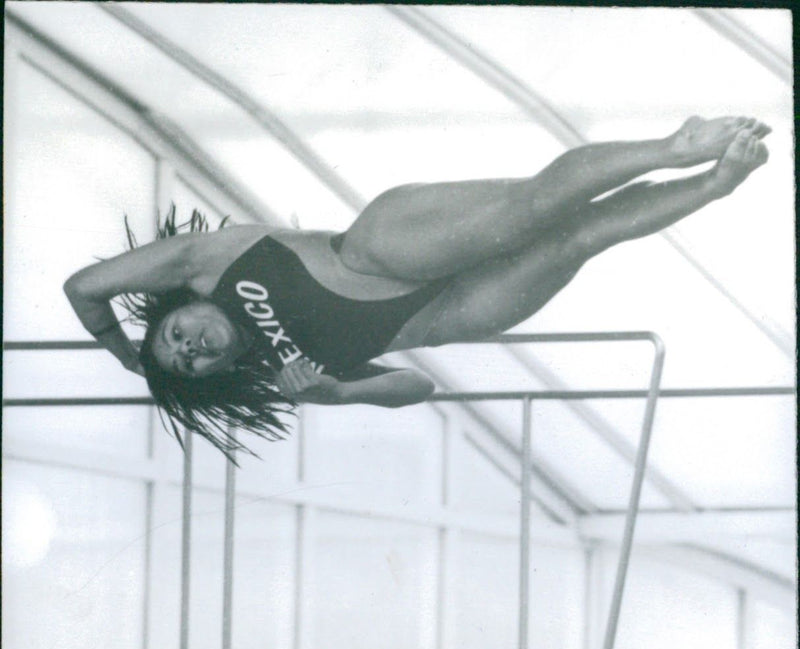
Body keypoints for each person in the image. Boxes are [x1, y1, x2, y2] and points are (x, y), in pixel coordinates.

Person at [64, 116, 769, 458]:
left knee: (533, 207)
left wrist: (121, 351)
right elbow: (416, 389)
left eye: (174, 335)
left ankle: (676, 147)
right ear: (219, 370)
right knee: (582, 236)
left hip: (385, 248)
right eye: (190, 359)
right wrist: (337, 393)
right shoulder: (290, 376)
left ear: (178, 306)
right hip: (447, 310)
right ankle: (714, 183)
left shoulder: (206, 263)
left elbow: (84, 285)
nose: (189, 345)